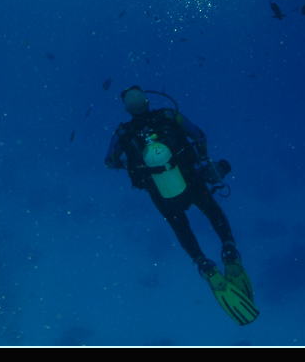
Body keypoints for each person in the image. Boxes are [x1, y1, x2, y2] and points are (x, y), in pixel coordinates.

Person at [105, 86, 258, 325]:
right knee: (212, 210)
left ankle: (203, 264)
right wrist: (202, 155)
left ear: (127, 109)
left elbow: (110, 161)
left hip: (160, 190)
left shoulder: (123, 132)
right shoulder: (168, 116)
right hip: (190, 178)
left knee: (180, 227)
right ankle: (229, 249)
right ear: (147, 101)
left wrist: (130, 164)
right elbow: (199, 135)